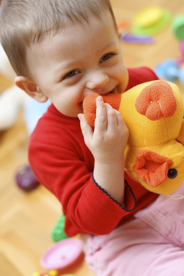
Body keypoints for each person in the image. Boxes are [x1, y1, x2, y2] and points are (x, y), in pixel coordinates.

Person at [3, 0, 183, 275]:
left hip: (174, 193)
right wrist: (107, 158)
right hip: (121, 236)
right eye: (72, 73)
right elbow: (94, 222)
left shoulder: (145, 85)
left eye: (106, 56)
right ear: (35, 88)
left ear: (119, 42)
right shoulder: (46, 145)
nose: (99, 80)